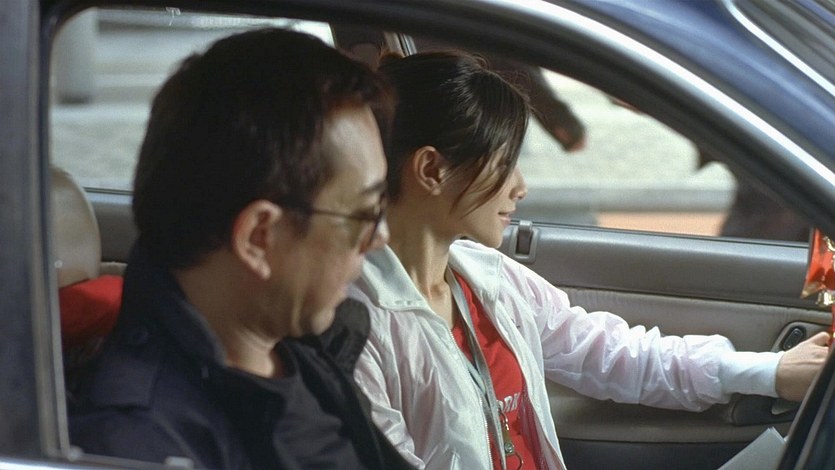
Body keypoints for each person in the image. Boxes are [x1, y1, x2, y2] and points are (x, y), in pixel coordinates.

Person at [348, 51, 830, 470]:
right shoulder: (357, 326)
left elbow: (613, 354)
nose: (520, 186)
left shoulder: (489, 280)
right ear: (431, 169)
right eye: (504, 163)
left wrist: (770, 372)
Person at [68, 28, 414, 469]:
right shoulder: (140, 446)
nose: (380, 236)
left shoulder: (301, 349)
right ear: (258, 238)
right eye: (365, 213)